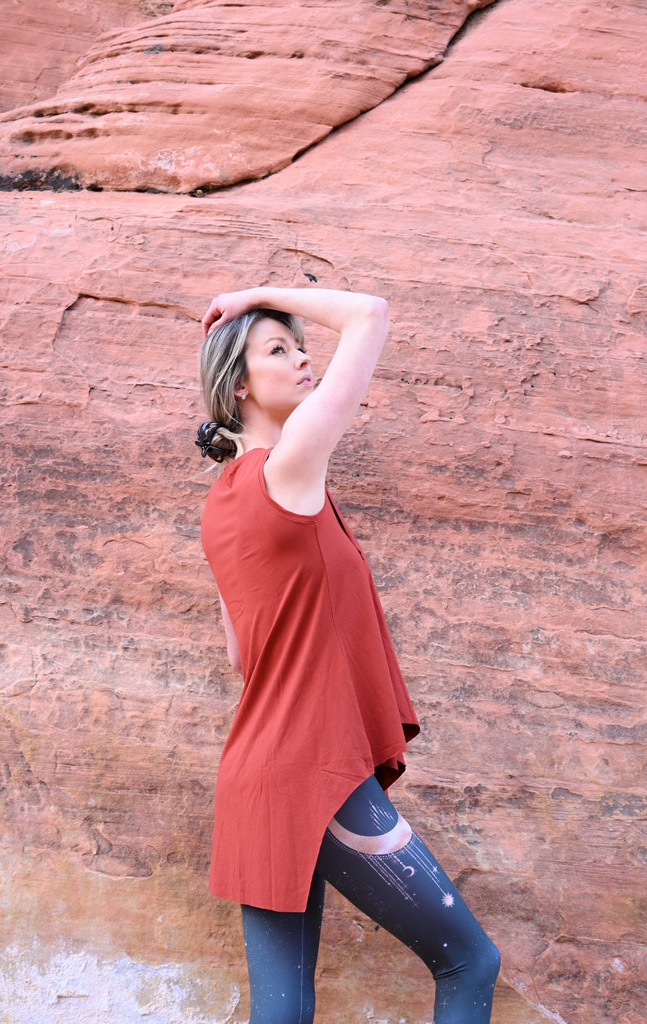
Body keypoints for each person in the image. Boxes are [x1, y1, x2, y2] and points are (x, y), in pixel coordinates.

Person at [196, 286, 500, 1024]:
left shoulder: (219, 505)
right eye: (278, 350)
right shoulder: (287, 470)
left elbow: (242, 654)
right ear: (239, 386)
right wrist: (256, 295)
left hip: (257, 776)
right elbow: (369, 313)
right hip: (313, 772)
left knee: (282, 1013)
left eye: (301, 345)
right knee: (469, 961)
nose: (304, 358)